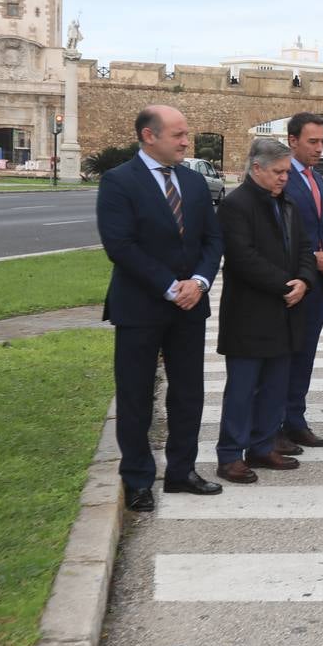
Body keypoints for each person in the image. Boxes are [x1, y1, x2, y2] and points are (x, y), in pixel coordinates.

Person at [96, 105, 223, 512]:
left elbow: (212, 241)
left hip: (191, 306)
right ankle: (137, 478)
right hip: (140, 306)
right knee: (135, 396)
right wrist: (170, 287)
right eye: (178, 135)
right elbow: (120, 245)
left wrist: (199, 282)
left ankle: (181, 471)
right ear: (149, 136)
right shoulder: (119, 182)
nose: (187, 141)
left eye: (187, 134)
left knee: (188, 393)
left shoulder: (194, 182)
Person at [213, 139, 318, 483]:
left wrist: (304, 278)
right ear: (256, 168)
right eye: (278, 172)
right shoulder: (236, 205)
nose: (284, 178)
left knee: (275, 386)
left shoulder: (285, 203)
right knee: (243, 389)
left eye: (287, 172)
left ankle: (262, 445)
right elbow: (243, 258)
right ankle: (230, 455)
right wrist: (287, 285)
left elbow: (304, 247)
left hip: (285, 312)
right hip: (250, 313)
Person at [279, 112, 323, 453]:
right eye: (312, 142)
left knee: (306, 354)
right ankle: (275, 425)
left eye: (322, 142)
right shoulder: (281, 177)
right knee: (284, 356)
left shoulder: (316, 179)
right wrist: (309, 258)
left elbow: (322, 225)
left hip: (317, 283)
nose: (319, 148)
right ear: (293, 141)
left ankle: (296, 421)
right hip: (289, 282)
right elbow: (277, 232)